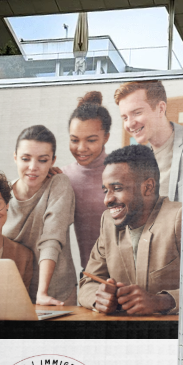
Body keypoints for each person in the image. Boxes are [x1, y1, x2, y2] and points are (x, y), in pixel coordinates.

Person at [79, 145, 181, 316]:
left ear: (148, 187)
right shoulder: (108, 221)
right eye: (105, 190)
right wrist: (99, 298)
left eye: (117, 188)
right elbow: (88, 281)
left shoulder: (180, 218)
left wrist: (161, 301)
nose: (107, 200)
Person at [4, 125, 77, 306]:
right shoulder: (1, 194)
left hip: (56, 293)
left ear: (53, 161)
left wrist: (42, 293)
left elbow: (51, 238)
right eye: (25, 159)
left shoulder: (58, 183)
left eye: (43, 160)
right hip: (13, 293)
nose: (33, 167)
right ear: (15, 157)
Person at [62, 91, 111, 269]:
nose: (81, 148)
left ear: (106, 137)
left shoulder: (122, 170)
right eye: (74, 140)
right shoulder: (63, 177)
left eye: (91, 140)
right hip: (90, 273)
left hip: (129, 273)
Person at [114, 80, 183, 202]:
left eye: (137, 113)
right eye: (125, 118)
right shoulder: (135, 162)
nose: (129, 124)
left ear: (160, 109)